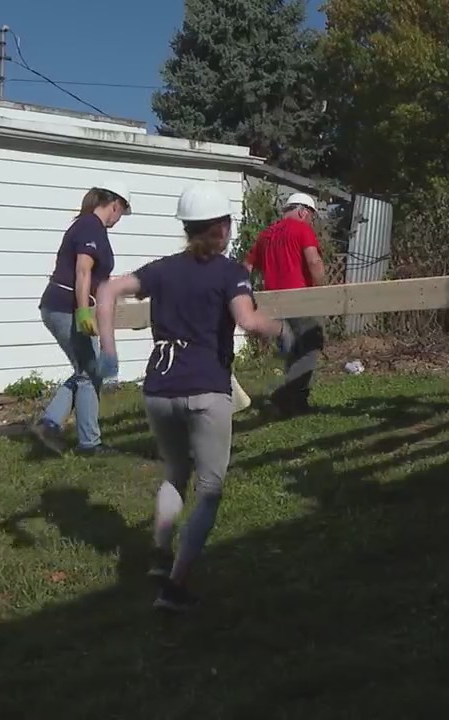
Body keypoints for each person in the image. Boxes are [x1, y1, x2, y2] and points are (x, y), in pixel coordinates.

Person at [95, 183, 294, 613]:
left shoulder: (162, 270)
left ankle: (159, 555)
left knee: (174, 471)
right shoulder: (229, 273)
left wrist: (108, 350)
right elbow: (248, 320)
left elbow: (107, 290)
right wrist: (282, 331)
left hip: (159, 389)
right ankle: (174, 589)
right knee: (209, 488)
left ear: (187, 228)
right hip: (206, 390)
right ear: (222, 227)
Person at [31, 180, 132, 456]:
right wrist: (83, 310)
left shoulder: (92, 228)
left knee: (87, 370)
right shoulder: (89, 226)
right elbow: (83, 271)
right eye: (121, 212)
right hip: (65, 307)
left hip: (66, 307)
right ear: (115, 205)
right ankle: (88, 442)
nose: (119, 218)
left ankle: (51, 423)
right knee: (89, 371)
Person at [245, 192, 327, 416]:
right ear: (302, 211)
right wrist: (322, 292)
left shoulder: (266, 235)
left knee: (293, 350)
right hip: (300, 298)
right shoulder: (302, 229)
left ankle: (294, 402)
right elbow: (314, 260)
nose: (311, 221)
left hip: (273, 303)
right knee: (310, 345)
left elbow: (247, 268)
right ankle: (286, 396)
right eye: (310, 216)